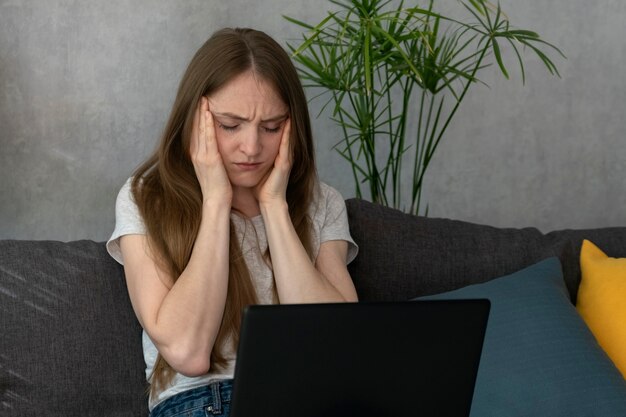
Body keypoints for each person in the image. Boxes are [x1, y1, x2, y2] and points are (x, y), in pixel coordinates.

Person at [106, 27, 359, 416]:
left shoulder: (321, 202)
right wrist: (216, 202)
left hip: (306, 399)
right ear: (196, 120)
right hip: (202, 401)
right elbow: (187, 352)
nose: (252, 147)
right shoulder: (146, 197)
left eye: (272, 127)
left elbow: (335, 346)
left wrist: (274, 207)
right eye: (229, 125)